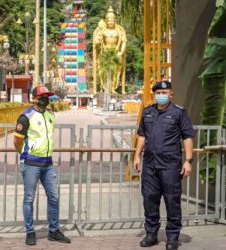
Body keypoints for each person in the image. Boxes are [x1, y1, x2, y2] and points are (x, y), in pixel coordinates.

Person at [133, 80, 194, 250]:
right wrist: (137, 156)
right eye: (158, 93)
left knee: (172, 200)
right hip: (150, 165)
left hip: (170, 165)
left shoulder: (179, 113)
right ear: (154, 95)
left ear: (171, 94)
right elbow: (142, 136)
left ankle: (173, 237)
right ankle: (151, 234)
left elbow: (187, 137)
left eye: (164, 93)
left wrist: (188, 161)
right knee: (150, 200)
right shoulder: (147, 112)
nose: (161, 96)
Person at [14, 86, 71, 246]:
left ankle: (54, 231)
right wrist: (25, 155)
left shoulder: (50, 115)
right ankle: (30, 232)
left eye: (47, 96)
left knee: (54, 197)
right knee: (29, 198)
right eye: (42, 96)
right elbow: (17, 141)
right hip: (31, 164)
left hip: (48, 163)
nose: (46, 99)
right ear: (35, 98)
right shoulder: (26, 117)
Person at [92, 6, 127, 94]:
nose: (111, 22)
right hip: (105, 53)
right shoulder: (102, 30)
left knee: (115, 72)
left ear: (115, 20)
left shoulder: (119, 30)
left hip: (115, 53)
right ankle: (104, 87)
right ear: (106, 20)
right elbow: (96, 41)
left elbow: (124, 42)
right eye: (109, 20)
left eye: (112, 20)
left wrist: (121, 52)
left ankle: (113, 88)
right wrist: (97, 41)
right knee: (103, 72)